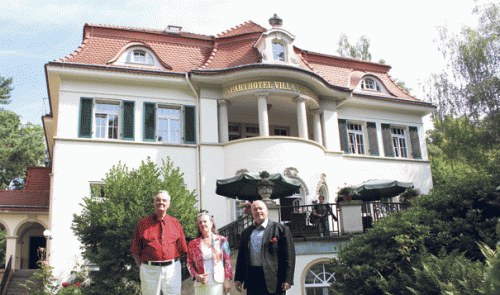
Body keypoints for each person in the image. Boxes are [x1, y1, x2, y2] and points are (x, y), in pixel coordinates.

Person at [130, 190, 188, 295]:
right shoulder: (143, 224)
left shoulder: (175, 223)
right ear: (154, 203)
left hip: (172, 269)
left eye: (164, 200)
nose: (161, 202)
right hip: (149, 269)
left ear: (169, 204)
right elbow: (135, 250)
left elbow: (182, 248)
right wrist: (143, 267)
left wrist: (171, 263)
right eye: (158, 200)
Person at [234, 200, 296, 295]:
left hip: (274, 280)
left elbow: (289, 257)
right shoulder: (246, 233)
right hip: (252, 279)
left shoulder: (281, 230)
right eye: (255, 209)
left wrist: (288, 279)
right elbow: (241, 257)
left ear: (267, 211)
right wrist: (238, 278)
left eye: (260, 208)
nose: (258, 211)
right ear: (251, 213)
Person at [187, 213, 233, 295]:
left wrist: (227, 280)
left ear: (211, 223)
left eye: (205, 221)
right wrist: (196, 275)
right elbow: (189, 264)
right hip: (201, 284)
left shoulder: (222, 240)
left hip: (219, 283)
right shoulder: (192, 244)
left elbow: (227, 262)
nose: (202, 224)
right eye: (200, 222)